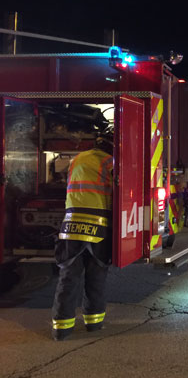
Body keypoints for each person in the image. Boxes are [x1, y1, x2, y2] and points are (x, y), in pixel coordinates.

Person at [51, 130, 113, 341]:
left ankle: (61, 329)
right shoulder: (110, 162)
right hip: (98, 225)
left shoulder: (78, 158)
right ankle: (94, 325)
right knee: (96, 276)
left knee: (69, 277)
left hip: (71, 225)